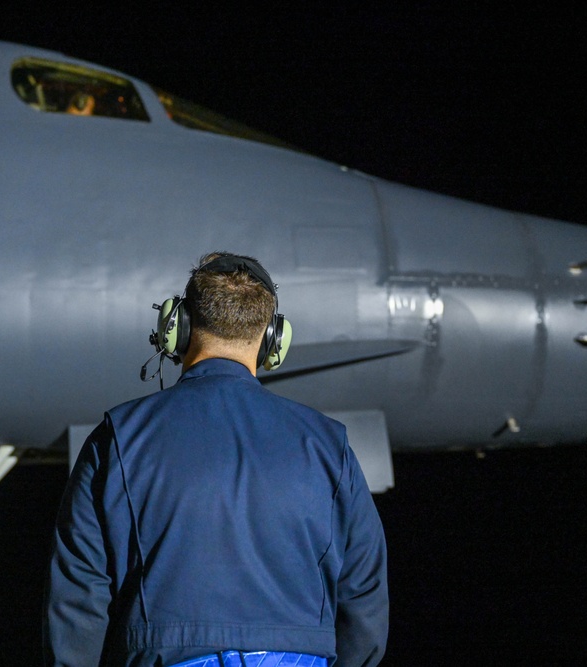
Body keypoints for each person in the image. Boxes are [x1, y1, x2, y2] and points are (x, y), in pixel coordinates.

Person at [44, 252, 388, 667]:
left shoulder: (118, 437)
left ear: (176, 327)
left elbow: (79, 599)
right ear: (274, 339)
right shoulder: (330, 446)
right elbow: (364, 599)